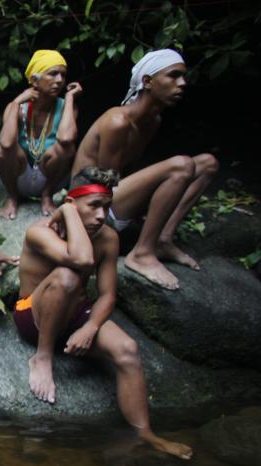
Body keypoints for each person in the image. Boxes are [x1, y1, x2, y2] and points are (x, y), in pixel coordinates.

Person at [15, 166, 192, 459]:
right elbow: (82, 260)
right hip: (34, 314)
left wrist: (91, 326)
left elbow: (108, 294)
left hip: (75, 312)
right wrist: (68, 214)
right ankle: (43, 356)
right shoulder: (40, 232)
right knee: (68, 277)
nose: (101, 216)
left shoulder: (108, 238)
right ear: (72, 204)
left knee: (128, 350)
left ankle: (144, 434)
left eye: (107, 207)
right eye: (94, 206)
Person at [72, 49, 217, 290]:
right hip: (95, 205)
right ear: (148, 82)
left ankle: (162, 239)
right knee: (182, 166)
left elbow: (130, 170)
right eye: (173, 76)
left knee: (207, 164)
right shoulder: (117, 121)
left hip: (116, 197)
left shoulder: (152, 121)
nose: (182, 83)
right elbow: (105, 185)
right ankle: (142, 253)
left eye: (183, 76)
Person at [0, 49, 80, 219]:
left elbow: (66, 139)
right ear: (35, 80)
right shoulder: (17, 107)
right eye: (53, 74)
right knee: (4, 151)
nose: (59, 80)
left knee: (67, 149)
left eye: (63, 75)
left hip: (49, 177)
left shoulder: (66, 107)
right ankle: (12, 198)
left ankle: (46, 197)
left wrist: (70, 98)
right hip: (17, 176)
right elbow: (5, 143)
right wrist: (17, 101)